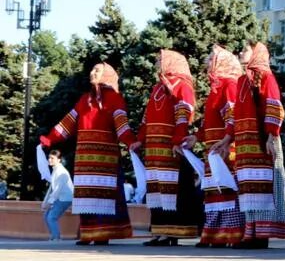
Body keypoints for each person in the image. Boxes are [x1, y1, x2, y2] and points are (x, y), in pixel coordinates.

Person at [40, 63, 136, 244]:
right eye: (92, 69)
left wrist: (132, 142)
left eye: (97, 70)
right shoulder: (85, 99)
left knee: (103, 196)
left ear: (106, 75)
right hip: (84, 159)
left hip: (105, 160)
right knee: (85, 196)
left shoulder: (115, 99)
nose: (92, 72)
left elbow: (122, 126)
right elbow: (67, 124)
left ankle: (102, 235)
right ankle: (86, 233)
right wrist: (50, 139)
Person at [232, 43, 285, 248]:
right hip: (245, 145)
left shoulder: (266, 77)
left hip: (262, 141)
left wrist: (271, 135)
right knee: (249, 188)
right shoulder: (242, 80)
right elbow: (236, 115)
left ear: (256, 54)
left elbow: (274, 106)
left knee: (263, 186)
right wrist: (227, 139)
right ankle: (251, 233)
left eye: (245, 50)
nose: (240, 53)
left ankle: (262, 235)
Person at [141, 50, 203, 245]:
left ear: (171, 62)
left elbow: (184, 113)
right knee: (157, 190)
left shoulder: (182, 85)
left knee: (171, 190)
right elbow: (146, 117)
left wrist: (177, 140)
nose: (158, 61)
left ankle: (171, 233)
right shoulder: (157, 87)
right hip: (153, 149)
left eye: (161, 58)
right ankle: (158, 231)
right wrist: (139, 139)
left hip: (171, 147)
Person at [195, 46, 246, 248]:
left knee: (226, 188)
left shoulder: (230, 85)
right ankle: (214, 234)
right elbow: (208, 121)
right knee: (214, 189)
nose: (208, 63)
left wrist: (227, 140)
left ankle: (230, 233)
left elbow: (232, 116)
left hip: (225, 147)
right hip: (213, 148)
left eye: (211, 59)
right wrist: (195, 137)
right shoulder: (215, 89)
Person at [41, 149, 75, 241]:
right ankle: (53, 236)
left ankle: (56, 238)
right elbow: (51, 188)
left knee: (52, 217)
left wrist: (49, 202)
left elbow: (57, 189)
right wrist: (45, 201)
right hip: (60, 197)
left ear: (59, 160)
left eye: (52, 158)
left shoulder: (61, 172)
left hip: (65, 198)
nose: (49, 160)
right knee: (46, 216)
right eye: (49, 158)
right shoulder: (55, 170)